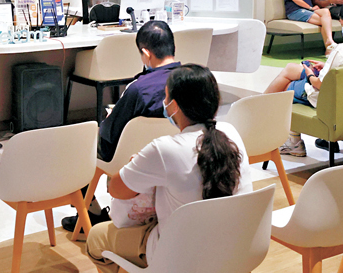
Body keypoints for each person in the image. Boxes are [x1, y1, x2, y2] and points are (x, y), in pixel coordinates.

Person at [85, 64, 252, 268]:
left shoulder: (164, 150)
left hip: (180, 257)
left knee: (96, 237)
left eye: (165, 97)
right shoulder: (231, 133)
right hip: (234, 247)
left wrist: (134, 165)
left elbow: (116, 189)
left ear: (174, 106)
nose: (164, 103)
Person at [61, 20, 181, 232]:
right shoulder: (191, 79)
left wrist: (110, 116)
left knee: (77, 144)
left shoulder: (138, 88)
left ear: (146, 54)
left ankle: (91, 213)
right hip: (175, 154)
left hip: (128, 156)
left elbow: (110, 133)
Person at [266, 0, 343, 157]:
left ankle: (291, 140)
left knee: (287, 87)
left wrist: (310, 75)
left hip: (334, 103)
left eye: (342, 23)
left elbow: (320, 84)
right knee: (292, 69)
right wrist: (325, 66)